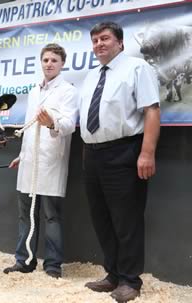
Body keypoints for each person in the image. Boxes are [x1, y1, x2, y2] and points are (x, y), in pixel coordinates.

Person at [79, 22, 160, 302]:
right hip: (92, 154)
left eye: (105, 39)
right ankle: (112, 274)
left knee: (127, 219)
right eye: (95, 40)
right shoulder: (91, 76)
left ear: (120, 43)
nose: (99, 44)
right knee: (101, 218)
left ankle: (130, 280)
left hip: (125, 152)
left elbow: (151, 110)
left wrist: (147, 153)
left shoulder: (137, 68)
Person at [3, 43, 79, 278]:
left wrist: (51, 123)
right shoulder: (35, 91)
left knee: (51, 215)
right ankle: (23, 261)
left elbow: (68, 126)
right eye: (46, 60)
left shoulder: (68, 91)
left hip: (51, 162)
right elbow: (29, 129)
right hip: (29, 162)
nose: (49, 64)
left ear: (62, 63)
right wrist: (22, 155)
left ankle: (53, 265)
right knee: (25, 215)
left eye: (54, 60)